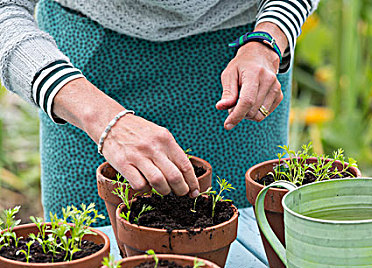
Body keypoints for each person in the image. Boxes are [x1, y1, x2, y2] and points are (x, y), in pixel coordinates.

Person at [0, 0, 319, 224]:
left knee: (241, 246)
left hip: (238, 67)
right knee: (93, 257)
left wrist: (269, 38)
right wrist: (101, 119)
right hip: (86, 78)